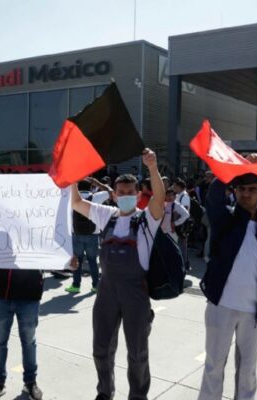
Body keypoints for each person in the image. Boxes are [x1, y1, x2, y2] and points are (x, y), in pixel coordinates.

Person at [71, 148, 165, 400]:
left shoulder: (147, 220)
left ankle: (138, 396)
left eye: (129, 193)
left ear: (137, 195)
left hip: (136, 293)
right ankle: (104, 392)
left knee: (137, 352)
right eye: (120, 193)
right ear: (114, 194)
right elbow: (77, 203)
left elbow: (159, 198)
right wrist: (72, 177)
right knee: (101, 348)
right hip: (106, 291)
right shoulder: (106, 216)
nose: (125, 196)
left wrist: (152, 167)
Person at [198, 163, 257, 400]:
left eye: (251, 189)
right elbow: (214, 196)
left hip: (253, 313)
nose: (245, 194)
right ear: (234, 192)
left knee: (247, 371)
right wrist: (237, 166)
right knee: (213, 367)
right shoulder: (224, 220)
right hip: (221, 307)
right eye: (241, 189)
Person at [0, 268, 44, 400]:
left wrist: (67, 262)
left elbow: (54, 251)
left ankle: (30, 382)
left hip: (30, 292)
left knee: (29, 341)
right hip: (1, 291)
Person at [65, 178, 110, 294]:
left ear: (78, 188)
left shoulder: (72, 198)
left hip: (76, 234)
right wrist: (98, 183)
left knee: (77, 261)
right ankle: (96, 286)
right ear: (91, 187)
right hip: (93, 235)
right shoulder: (96, 198)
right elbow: (110, 191)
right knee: (92, 261)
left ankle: (76, 285)